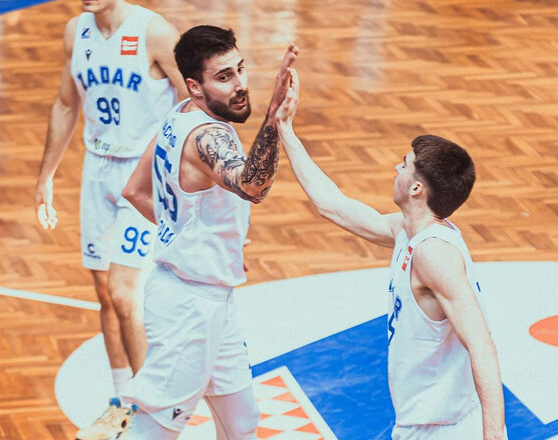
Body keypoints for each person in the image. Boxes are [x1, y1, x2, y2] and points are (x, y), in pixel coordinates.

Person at [275, 70, 506, 439]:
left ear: (416, 188)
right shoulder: (407, 231)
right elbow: (331, 205)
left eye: (404, 164)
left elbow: (483, 347)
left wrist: (493, 435)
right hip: (424, 421)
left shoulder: (434, 255)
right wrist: (285, 129)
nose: (396, 168)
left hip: (444, 428)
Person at [118, 26, 298, 439]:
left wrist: (203, 240)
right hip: (188, 310)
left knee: (241, 421)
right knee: (154, 429)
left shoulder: (180, 114)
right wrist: (274, 115)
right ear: (195, 86)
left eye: (240, 69)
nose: (240, 85)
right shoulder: (208, 136)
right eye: (224, 77)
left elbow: (135, 191)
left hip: (209, 296)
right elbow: (252, 186)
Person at [33, 0, 186, 438]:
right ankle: (122, 404)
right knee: (104, 292)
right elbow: (66, 105)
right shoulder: (75, 31)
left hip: (143, 177)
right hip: (97, 168)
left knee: (125, 293)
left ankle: (154, 414)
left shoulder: (155, 32)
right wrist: (46, 176)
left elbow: (193, 103)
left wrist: (180, 175)